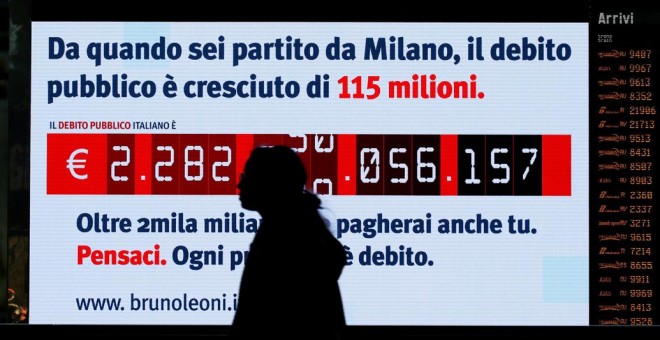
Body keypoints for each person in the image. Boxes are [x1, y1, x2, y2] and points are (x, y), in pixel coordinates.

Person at [230, 145, 347, 339]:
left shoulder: (278, 241)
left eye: (247, 177)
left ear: (269, 184)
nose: (240, 185)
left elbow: (254, 317)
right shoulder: (302, 233)